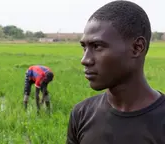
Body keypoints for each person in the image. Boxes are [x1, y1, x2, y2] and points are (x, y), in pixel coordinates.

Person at [66, 1, 165, 144]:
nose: (85, 60)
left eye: (97, 46)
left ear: (137, 48)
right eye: (84, 47)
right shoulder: (82, 114)